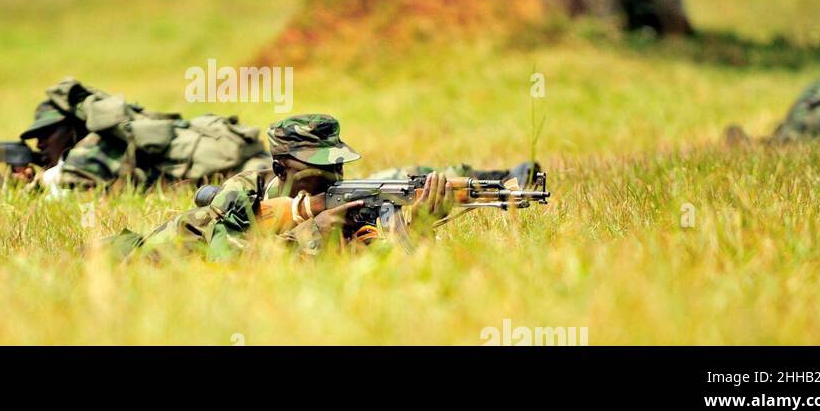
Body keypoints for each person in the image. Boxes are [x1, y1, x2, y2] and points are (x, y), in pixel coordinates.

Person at [125, 114, 538, 259]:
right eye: (316, 171)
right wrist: (314, 229)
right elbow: (236, 266)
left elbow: (392, 266)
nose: (331, 179)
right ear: (280, 167)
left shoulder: (342, 200)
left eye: (335, 168)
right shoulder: (242, 194)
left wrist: (423, 222)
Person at [0, 78, 271, 192]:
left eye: (48, 134)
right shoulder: (107, 143)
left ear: (73, 129)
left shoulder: (90, 153)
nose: (40, 144)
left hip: (250, 172)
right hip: (248, 157)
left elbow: (37, 204)